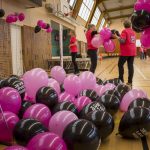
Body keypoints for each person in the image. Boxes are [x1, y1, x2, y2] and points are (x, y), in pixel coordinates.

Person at [114, 20, 136, 87]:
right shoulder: (133, 31)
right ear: (130, 25)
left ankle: (121, 80)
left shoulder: (124, 31)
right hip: (132, 51)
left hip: (126, 51)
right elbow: (127, 39)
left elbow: (122, 41)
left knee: (120, 65)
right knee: (130, 66)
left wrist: (116, 36)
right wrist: (119, 35)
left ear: (124, 25)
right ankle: (130, 82)